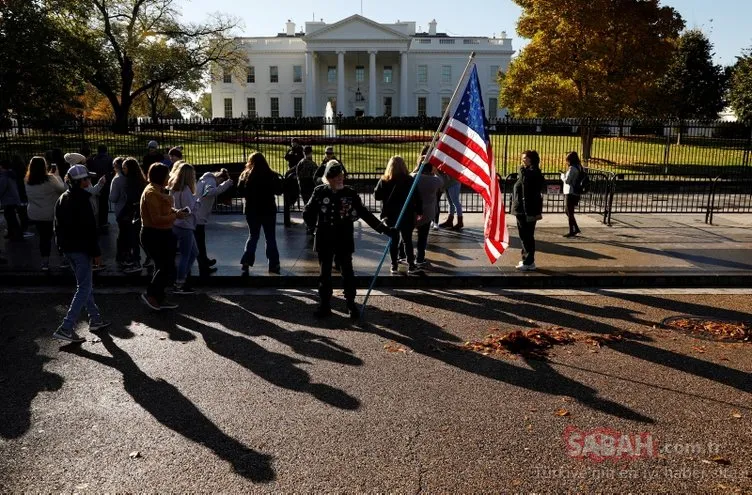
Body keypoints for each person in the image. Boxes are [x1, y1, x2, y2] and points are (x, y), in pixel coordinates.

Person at [304, 160, 392, 320]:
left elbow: (365, 213)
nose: (340, 179)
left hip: (343, 238)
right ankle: (324, 305)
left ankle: (351, 304)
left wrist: (383, 229)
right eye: (336, 177)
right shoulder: (319, 192)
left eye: (341, 176)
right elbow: (307, 212)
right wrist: (312, 227)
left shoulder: (349, 193)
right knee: (325, 274)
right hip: (324, 238)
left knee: (348, 274)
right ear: (328, 178)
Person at [52, 164, 111, 342]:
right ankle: (66, 327)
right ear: (81, 181)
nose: (90, 181)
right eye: (87, 178)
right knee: (84, 287)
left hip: (68, 249)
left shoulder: (63, 198)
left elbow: (57, 226)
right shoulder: (83, 201)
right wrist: (96, 253)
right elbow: (89, 230)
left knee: (84, 286)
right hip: (81, 249)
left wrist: (61, 248)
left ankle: (95, 319)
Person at [139, 163, 187, 311]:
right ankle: (151, 295)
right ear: (161, 177)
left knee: (163, 266)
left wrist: (174, 211)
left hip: (162, 233)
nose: (169, 177)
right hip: (154, 234)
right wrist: (176, 215)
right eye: (167, 175)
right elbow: (156, 218)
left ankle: (158, 297)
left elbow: (163, 210)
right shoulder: (152, 192)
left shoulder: (158, 190)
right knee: (165, 267)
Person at [374, 156, 423, 274]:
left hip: (390, 215)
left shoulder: (384, 180)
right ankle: (411, 264)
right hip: (406, 214)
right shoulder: (409, 180)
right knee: (407, 240)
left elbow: (377, 196)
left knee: (393, 241)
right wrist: (419, 211)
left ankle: (394, 265)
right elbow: (417, 196)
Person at [237, 152, 283, 275]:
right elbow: (279, 191)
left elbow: (240, 192)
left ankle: (246, 261)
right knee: (270, 237)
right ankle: (274, 264)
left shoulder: (245, 175)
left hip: (252, 210)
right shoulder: (271, 175)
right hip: (268, 210)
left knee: (253, 236)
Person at [25, 156, 66, 271]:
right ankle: (63, 260)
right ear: (44, 166)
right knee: (58, 236)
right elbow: (62, 189)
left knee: (44, 238)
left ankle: (45, 262)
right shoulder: (51, 179)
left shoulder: (27, 180)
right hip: (51, 213)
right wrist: (57, 176)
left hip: (35, 213)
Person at [195, 168, 233, 277]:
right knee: (200, 242)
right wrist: (225, 185)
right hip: (199, 216)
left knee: (199, 242)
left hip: (198, 215)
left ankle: (205, 261)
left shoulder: (204, 179)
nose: (219, 184)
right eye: (220, 181)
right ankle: (204, 266)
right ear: (219, 178)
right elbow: (209, 192)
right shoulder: (211, 181)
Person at [168, 161, 199, 294]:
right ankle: (180, 282)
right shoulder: (186, 190)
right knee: (186, 255)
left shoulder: (173, 189)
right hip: (186, 226)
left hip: (177, 224)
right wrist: (197, 203)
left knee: (193, 253)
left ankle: (181, 278)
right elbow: (189, 210)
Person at [512, 150, 545, 271]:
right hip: (522, 209)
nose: (523, 159)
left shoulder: (531, 173)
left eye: (525, 158)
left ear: (532, 159)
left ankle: (529, 261)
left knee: (527, 236)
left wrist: (522, 172)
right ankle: (526, 258)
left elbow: (527, 185)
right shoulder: (527, 172)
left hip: (527, 209)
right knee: (524, 235)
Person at [114, 157, 148, 273]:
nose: (123, 170)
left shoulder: (131, 182)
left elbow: (131, 199)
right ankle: (148, 257)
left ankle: (136, 262)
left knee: (134, 238)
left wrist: (124, 212)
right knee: (138, 238)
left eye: (124, 168)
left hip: (133, 213)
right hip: (137, 211)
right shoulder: (139, 179)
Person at [410, 153, 443, 268]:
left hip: (413, 211)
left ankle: (403, 254)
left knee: (406, 236)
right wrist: (435, 171)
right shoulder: (435, 180)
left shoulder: (413, 177)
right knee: (422, 237)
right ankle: (420, 258)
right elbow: (442, 182)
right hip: (428, 212)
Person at [88, 144, 113, 228]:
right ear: (106, 150)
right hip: (105, 184)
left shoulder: (92, 159)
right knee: (104, 203)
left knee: (95, 203)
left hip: (95, 183)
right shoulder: (109, 159)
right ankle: (104, 222)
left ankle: (96, 221)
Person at [0, 158, 23, 241]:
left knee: (10, 217)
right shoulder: (10, 174)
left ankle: (16, 233)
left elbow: (1, 188)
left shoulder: (4, 175)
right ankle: (13, 233)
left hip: (8, 200)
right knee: (10, 216)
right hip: (13, 199)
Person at [561, 151, 582, 238]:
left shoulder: (572, 168)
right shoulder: (580, 167)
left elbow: (567, 180)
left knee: (569, 211)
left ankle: (572, 231)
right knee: (570, 212)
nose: (566, 161)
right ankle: (576, 228)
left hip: (570, 191)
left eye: (567, 160)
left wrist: (562, 175)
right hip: (576, 191)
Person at [296, 145, 318, 211]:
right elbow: (316, 175)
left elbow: (297, 173)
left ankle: (306, 215)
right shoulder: (312, 164)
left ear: (303, 153)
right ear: (311, 153)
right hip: (311, 185)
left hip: (302, 184)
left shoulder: (300, 163)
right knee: (311, 203)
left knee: (306, 202)